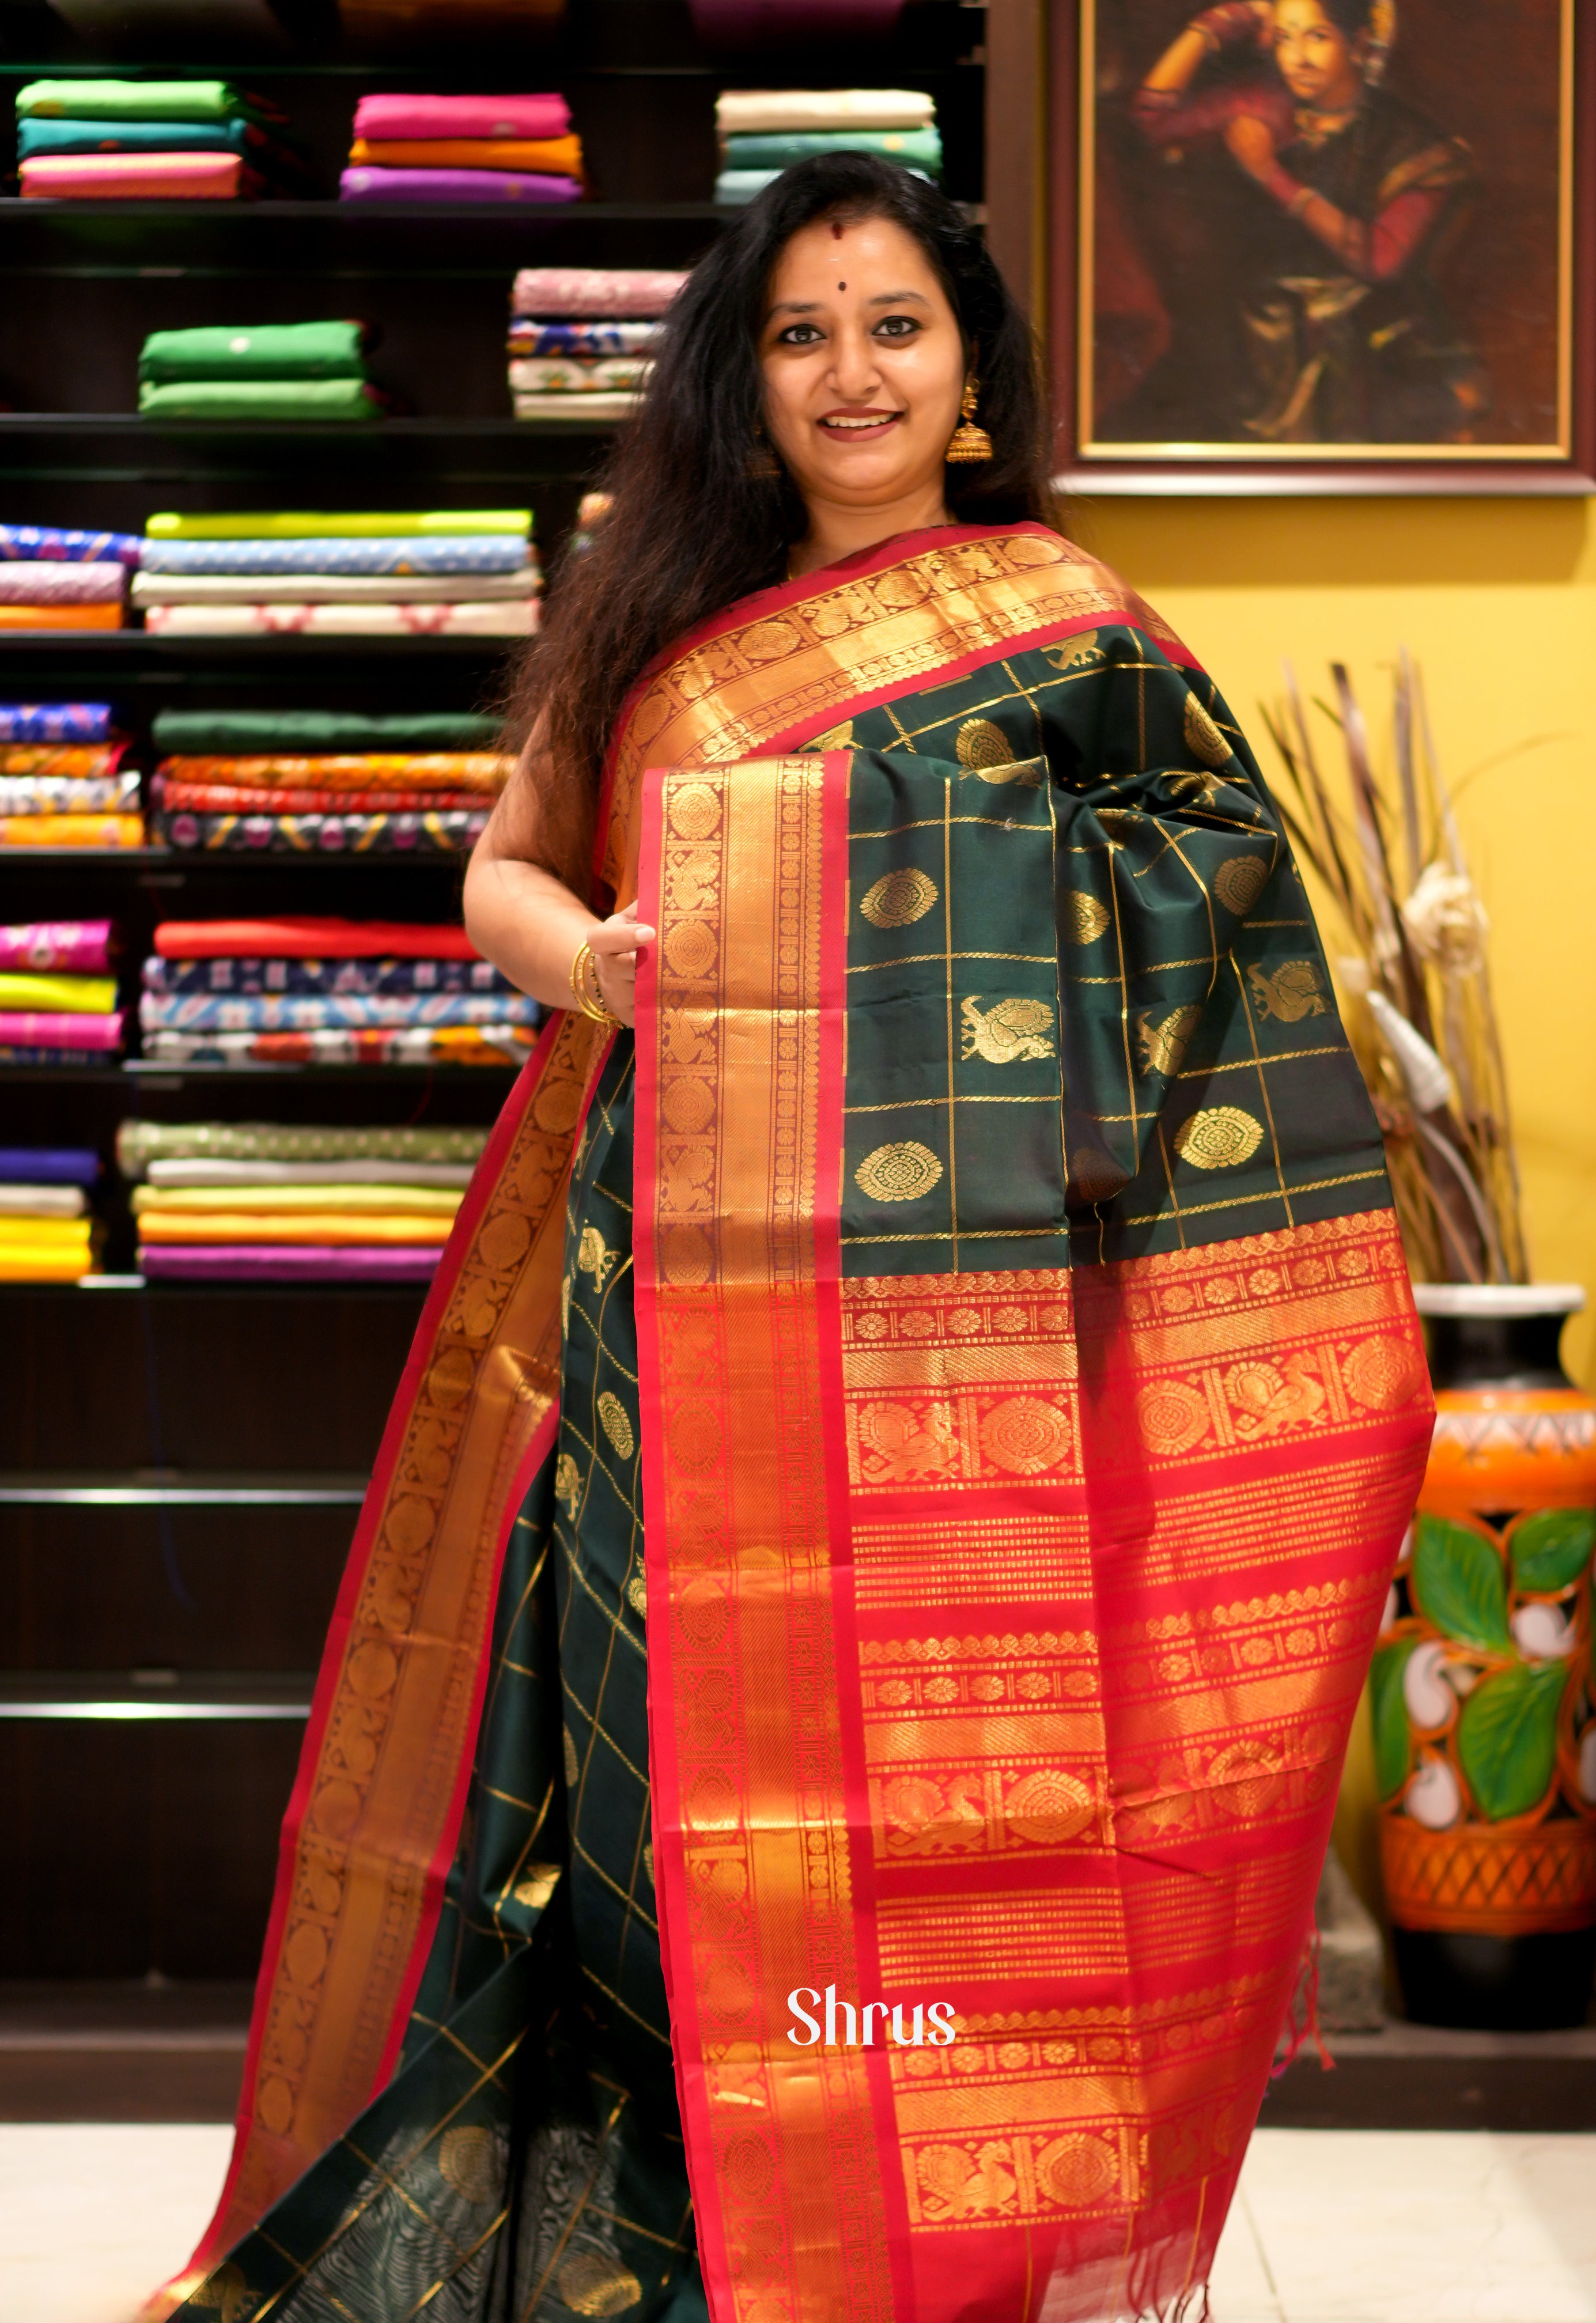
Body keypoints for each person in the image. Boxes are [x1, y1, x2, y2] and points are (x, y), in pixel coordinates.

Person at [146, 153, 1433, 2323]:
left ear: (967, 376)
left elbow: (1222, 916)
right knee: (659, 1783)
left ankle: (923, 2229)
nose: (849, 370)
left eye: (893, 324)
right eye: (798, 331)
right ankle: (657, 2244)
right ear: (741, 381)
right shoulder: (655, 615)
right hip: (676, 1312)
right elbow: (504, 875)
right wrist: (607, 965)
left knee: (951, 1788)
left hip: (976, 1347)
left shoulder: (1069, 626)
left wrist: (972, 888)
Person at [1106, 0, 1485, 444]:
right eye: (1284, 39)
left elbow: (1379, 258)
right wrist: (1218, 24)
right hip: (1257, 346)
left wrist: (1271, 175)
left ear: (1360, 43)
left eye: (1317, 37)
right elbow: (1149, 121)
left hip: (1371, 351)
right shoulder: (1263, 104)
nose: (1297, 58)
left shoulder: (1413, 143)